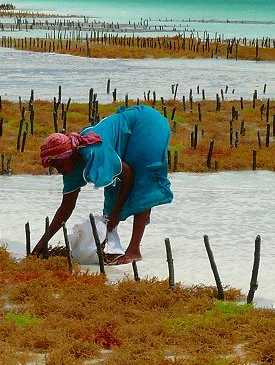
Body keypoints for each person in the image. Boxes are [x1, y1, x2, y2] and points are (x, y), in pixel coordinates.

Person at [32, 104, 173, 264]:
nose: (57, 170)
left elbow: (127, 175)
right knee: (113, 190)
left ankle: (134, 250)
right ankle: (111, 248)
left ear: (67, 156)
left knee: (143, 182)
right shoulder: (70, 167)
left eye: (57, 165)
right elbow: (66, 207)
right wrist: (43, 242)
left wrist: (116, 214)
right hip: (128, 131)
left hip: (147, 124)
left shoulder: (94, 152)